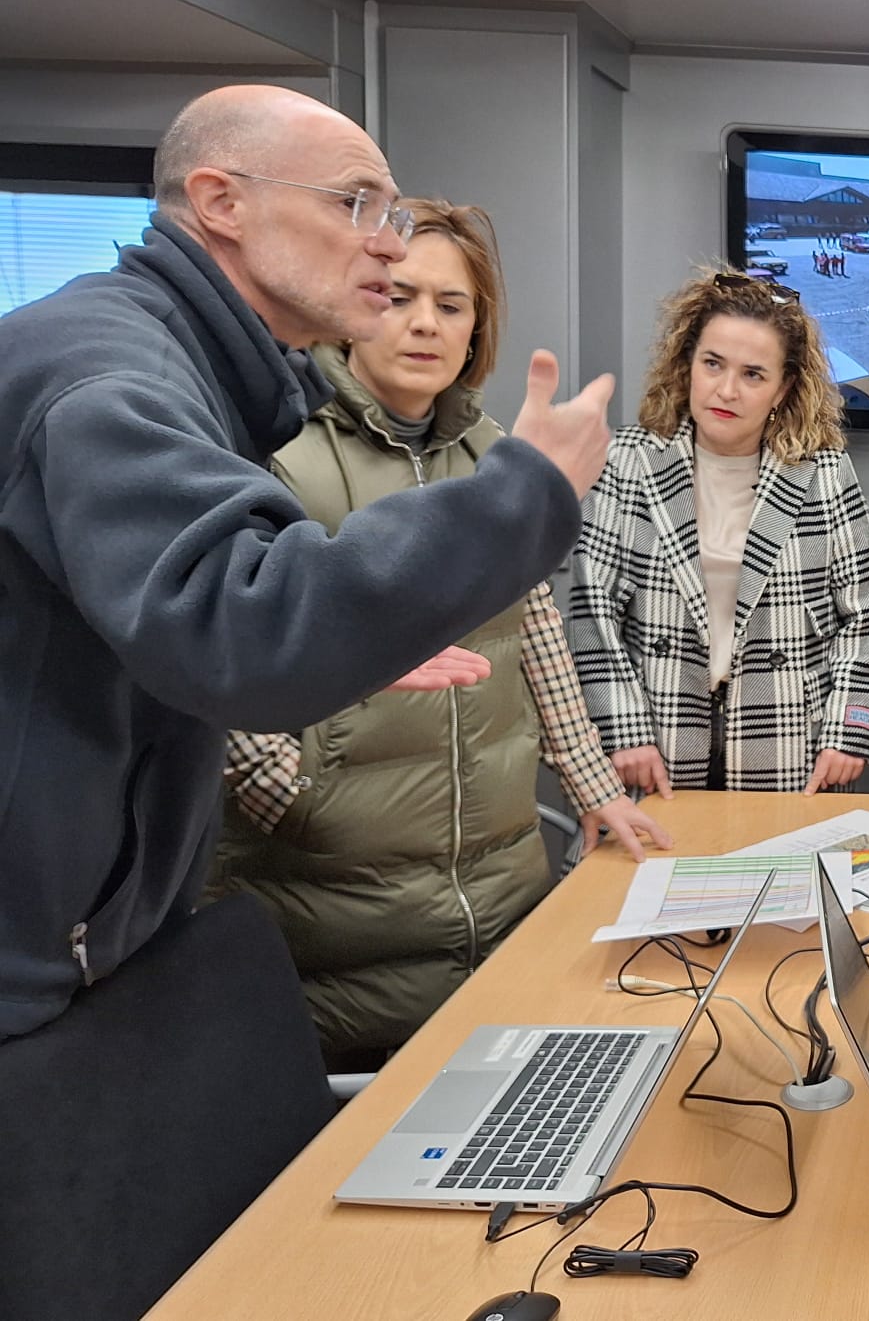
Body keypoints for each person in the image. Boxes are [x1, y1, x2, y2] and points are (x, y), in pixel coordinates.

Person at [0, 84, 612, 1042]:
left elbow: (167, 626)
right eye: (355, 204)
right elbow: (241, 633)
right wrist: (524, 494)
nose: (387, 242)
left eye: (394, 217)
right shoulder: (114, 377)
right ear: (221, 202)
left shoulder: (196, 373)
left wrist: (356, 636)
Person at [211, 198, 671, 1068]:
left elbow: (533, 626)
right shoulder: (272, 452)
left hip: (497, 900)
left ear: (476, 330)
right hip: (326, 912)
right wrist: (286, 788)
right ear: (354, 304)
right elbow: (206, 643)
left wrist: (591, 785)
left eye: (451, 306)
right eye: (398, 295)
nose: (424, 323)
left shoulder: (498, 456)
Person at [569, 272, 869, 794]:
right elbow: (592, 610)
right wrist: (621, 729)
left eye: (753, 374)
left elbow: (867, 616)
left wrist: (849, 732)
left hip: (791, 746)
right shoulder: (627, 460)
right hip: (657, 742)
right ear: (688, 364)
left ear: (783, 387)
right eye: (713, 364)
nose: (727, 390)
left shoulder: (824, 472)